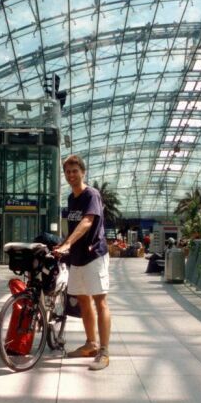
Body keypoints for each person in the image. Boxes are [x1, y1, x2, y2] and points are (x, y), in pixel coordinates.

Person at [54, 154, 112, 371]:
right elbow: (73, 226)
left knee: (100, 301)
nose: (71, 175)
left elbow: (87, 222)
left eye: (75, 171)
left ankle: (104, 351)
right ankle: (91, 344)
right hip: (77, 257)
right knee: (83, 300)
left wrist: (68, 243)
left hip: (94, 254)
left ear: (83, 172)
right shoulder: (71, 198)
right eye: (67, 172)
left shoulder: (91, 195)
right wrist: (64, 244)